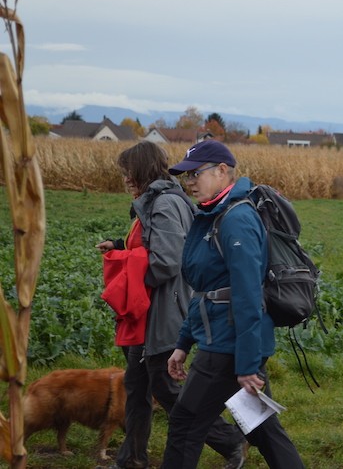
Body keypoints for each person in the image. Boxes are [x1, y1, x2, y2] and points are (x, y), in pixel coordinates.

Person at [96, 141, 245, 469]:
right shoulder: (152, 201)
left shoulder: (164, 203)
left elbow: (167, 261)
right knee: (136, 387)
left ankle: (230, 440)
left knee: (165, 387)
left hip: (164, 311)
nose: (124, 178)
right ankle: (132, 459)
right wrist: (122, 245)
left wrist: (125, 267)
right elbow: (156, 243)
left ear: (141, 170)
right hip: (148, 313)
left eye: (127, 172)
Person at [163, 139, 304, 469]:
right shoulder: (214, 215)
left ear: (222, 171)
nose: (190, 182)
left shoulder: (236, 219)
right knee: (261, 427)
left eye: (195, 174)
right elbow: (206, 290)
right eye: (186, 176)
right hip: (226, 341)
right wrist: (183, 343)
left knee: (185, 423)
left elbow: (247, 296)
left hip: (228, 346)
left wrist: (246, 364)